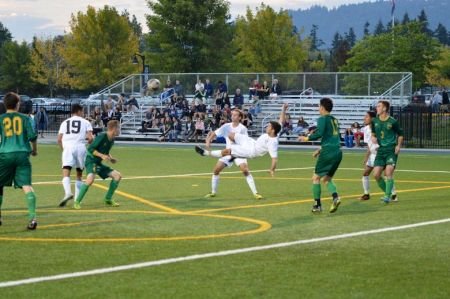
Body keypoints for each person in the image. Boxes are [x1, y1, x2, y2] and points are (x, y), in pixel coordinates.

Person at [195, 104, 288, 178]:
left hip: (251, 151)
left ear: (272, 130)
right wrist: (283, 109)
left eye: (268, 126)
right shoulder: (276, 131)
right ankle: (232, 151)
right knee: (230, 134)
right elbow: (281, 121)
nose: (267, 127)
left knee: (229, 151)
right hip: (250, 142)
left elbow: (274, 159)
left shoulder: (273, 142)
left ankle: (205, 153)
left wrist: (272, 169)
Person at [202, 109, 262, 199]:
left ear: (240, 117)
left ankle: (256, 193)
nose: (233, 116)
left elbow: (246, 142)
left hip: (239, 153)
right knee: (216, 170)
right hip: (228, 153)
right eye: (232, 114)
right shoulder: (226, 126)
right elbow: (215, 133)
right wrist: (208, 141)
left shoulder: (243, 129)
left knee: (245, 171)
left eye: (235, 115)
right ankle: (213, 192)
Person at [0, 92, 38, 229]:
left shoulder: (1, 119)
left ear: (5, 104)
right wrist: (34, 150)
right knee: (27, 185)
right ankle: (32, 218)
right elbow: (33, 136)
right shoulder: (25, 118)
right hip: (22, 154)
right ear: (18, 104)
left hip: (4, 154)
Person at [298, 97, 342, 214]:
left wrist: (306, 138)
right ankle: (335, 197)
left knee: (316, 178)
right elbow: (332, 137)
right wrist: (320, 149)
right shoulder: (334, 120)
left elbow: (320, 133)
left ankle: (317, 205)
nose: (318, 108)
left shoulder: (322, 119)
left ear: (322, 107)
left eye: (319, 106)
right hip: (337, 152)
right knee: (327, 178)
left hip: (328, 152)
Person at [73, 120, 122, 209]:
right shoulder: (102, 136)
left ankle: (108, 199)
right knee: (90, 178)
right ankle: (77, 201)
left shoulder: (111, 140)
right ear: (114, 129)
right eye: (119, 127)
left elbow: (105, 151)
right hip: (90, 161)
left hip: (98, 163)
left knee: (117, 176)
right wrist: (102, 155)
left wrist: (111, 158)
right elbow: (90, 149)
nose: (120, 130)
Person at [57, 104, 94, 207]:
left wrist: (64, 150)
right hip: (80, 147)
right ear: (79, 111)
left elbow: (59, 139)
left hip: (68, 147)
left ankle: (68, 192)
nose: (83, 113)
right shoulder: (86, 122)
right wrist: (89, 141)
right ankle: (77, 200)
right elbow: (90, 138)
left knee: (66, 171)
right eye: (82, 111)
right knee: (79, 174)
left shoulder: (65, 122)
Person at [371, 100, 404, 204]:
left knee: (388, 172)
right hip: (381, 150)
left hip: (391, 149)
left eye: (379, 106)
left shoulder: (392, 121)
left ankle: (387, 196)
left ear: (384, 108)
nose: (377, 108)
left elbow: (400, 134)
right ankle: (389, 194)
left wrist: (398, 146)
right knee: (376, 175)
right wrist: (373, 138)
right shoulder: (374, 121)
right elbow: (373, 134)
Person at [360, 111, 397, 201]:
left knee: (387, 174)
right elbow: (369, 145)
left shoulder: (379, 127)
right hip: (373, 155)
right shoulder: (365, 129)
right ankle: (366, 194)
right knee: (366, 173)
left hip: (382, 154)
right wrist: (366, 157)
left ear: (372, 119)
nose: (364, 118)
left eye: (366, 117)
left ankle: (393, 194)